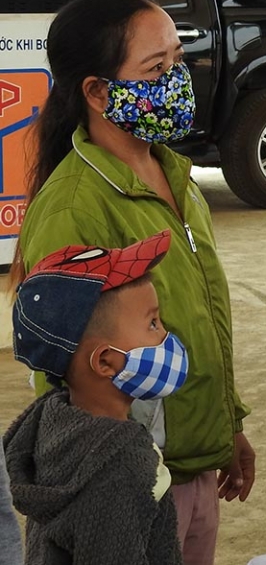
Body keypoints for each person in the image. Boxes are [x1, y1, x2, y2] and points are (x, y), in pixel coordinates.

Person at [12, 0, 254, 565]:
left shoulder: (174, 173)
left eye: (179, 58)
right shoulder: (76, 207)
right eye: (156, 68)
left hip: (191, 468)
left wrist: (228, 426)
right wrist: (115, 480)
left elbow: (200, 319)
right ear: (97, 92)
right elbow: (64, 371)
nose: (178, 79)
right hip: (133, 482)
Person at [5, 231, 185, 565]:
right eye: (152, 323)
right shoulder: (121, 467)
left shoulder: (51, 426)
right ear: (104, 361)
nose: (165, 334)